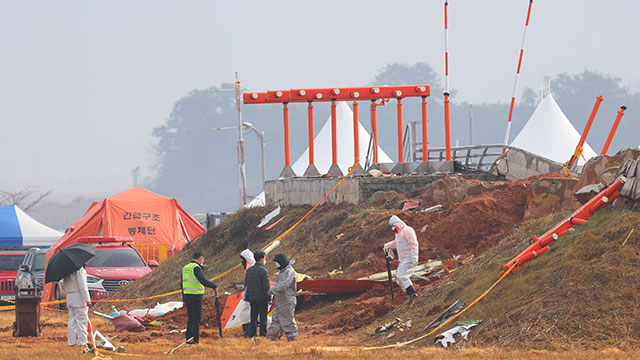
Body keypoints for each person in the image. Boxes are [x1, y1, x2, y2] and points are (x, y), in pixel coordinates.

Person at [181, 252, 217, 345]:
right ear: (200, 258)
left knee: (190, 319)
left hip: (187, 296)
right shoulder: (196, 268)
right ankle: (195, 340)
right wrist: (214, 286)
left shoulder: (185, 268)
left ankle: (189, 340)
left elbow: (182, 284)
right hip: (196, 296)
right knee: (196, 319)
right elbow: (203, 280)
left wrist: (184, 297)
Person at [384, 215, 419, 305]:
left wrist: (414, 256)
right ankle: (409, 292)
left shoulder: (407, 230)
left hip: (409, 257)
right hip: (403, 259)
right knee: (399, 278)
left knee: (402, 276)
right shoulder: (398, 233)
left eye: (393, 226)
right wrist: (388, 245)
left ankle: (413, 294)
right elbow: (398, 243)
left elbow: (414, 244)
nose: (392, 228)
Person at [266, 253, 298, 341]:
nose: (276, 265)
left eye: (277, 262)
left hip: (287, 301)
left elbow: (283, 285)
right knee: (276, 319)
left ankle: (292, 338)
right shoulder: (283, 272)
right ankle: (272, 337)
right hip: (281, 301)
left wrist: (271, 291)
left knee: (288, 320)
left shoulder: (288, 272)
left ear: (281, 262)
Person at [62, 266, 91, 348]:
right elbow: (83, 286)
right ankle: (83, 342)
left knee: (72, 321)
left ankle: (71, 342)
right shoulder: (79, 270)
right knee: (82, 321)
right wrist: (87, 300)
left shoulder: (66, 270)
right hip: (79, 298)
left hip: (70, 297)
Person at [244, 250, 270, 338]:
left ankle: (253, 333)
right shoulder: (263, 271)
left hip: (252, 298)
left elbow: (246, 285)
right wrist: (269, 298)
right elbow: (266, 286)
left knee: (253, 316)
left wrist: (248, 296)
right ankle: (263, 334)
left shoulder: (249, 271)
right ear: (262, 259)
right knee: (263, 317)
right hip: (262, 298)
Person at [239, 249, 256, 337]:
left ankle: (274, 328)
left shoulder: (253, 267)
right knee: (245, 314)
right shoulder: (249, 267)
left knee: (257, 315)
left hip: (253, 295)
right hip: (249, 294)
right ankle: (247, 332)